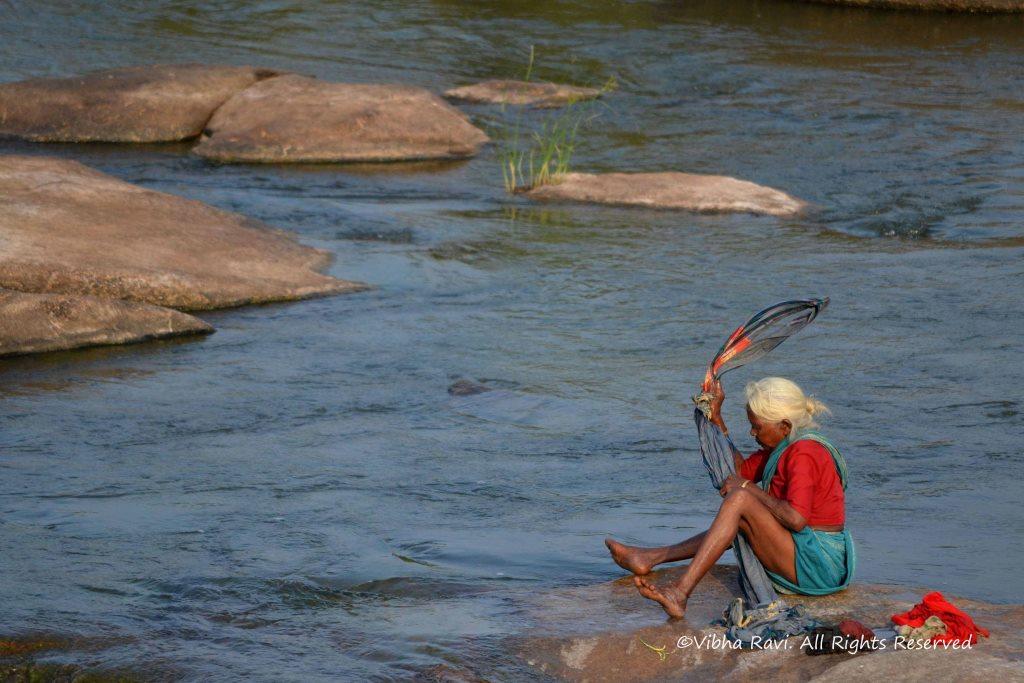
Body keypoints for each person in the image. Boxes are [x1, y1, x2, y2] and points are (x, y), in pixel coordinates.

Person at [605, 377, 853, 619]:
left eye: (757, 427)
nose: (752, 432)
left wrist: (747, 488)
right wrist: (716, 418)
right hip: (801, 550)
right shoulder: (782, 446)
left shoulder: (804, 452)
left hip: (818, 564)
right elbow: (741, 472)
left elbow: (796, 519)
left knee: (741, 500)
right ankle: (650, 557)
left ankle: (679, 593)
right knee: (740, 504)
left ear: (784, 426)